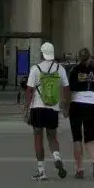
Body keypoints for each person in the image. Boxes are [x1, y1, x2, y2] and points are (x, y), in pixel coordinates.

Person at [25, 42, 70, 180]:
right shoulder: (60, 68)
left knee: (38, 138)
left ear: (41, 53)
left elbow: (29, 90)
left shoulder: (35, 68)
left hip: (37, 107)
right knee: (52, 136)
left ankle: (41, 171)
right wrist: (66, 106)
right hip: (53, 108)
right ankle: (56, 156)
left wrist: (26, 108)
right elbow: (67, 88)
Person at [67, 49, 94, 178]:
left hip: (76, 103)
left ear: (78, 58)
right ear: (89, 58)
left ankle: (79, 170)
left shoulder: (74, 71)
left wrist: (65, 105)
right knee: (89, 139)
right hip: (91, 103)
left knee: (77, 138)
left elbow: (69, 88)